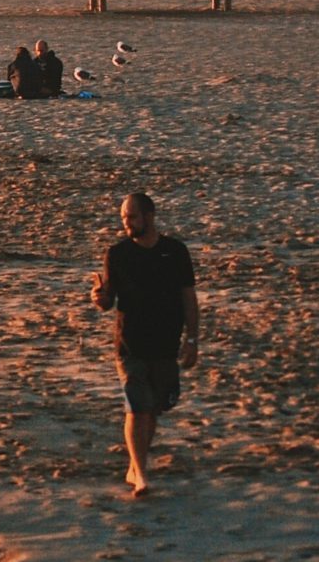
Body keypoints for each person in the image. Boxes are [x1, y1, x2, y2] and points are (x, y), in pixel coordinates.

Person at [90, 193, 200, 498]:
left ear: (150, 216)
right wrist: (99, 298)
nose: (126, 223)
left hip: (165, 345)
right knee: (137, 408)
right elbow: (108, 300)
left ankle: (134, 465)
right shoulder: (118, 254)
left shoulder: (175, 252)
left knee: (152, 411)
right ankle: (141, 476)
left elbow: (188, 297)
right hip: (130, 345)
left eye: (132, 217)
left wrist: (192, 339)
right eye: (124, 217)